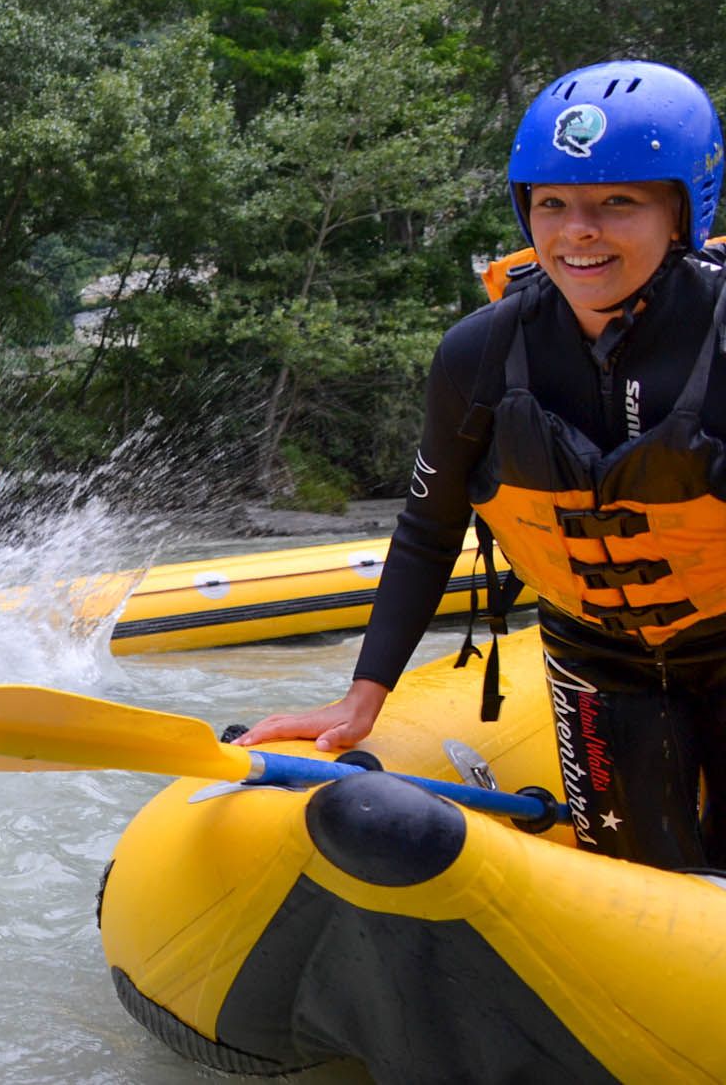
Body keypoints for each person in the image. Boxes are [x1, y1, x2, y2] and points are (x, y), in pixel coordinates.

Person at [240, 59, 726, 870]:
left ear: (683, 209)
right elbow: (429, 529)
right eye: (553, 204)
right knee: (646, 879)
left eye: (618, 202)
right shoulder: (481, 354)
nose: (579, 231)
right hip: (599, 660)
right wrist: (363, 699)